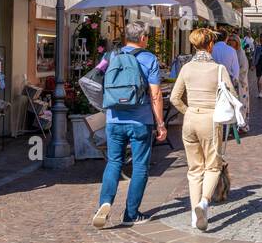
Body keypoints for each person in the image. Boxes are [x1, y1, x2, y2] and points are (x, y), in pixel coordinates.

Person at [91, 23, 167, 228]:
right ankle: (131, 214)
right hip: (140, 121)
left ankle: (104, 202)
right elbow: (156, 95)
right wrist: (160, 123)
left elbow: (95, 80)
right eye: (146, 37)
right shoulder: (149, 58)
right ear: (142, 38)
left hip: (114, 120)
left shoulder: (109, 56)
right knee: (140, 166)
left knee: (114, 162)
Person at [169, 27, 230, 231]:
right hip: (210, 119)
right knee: (213, 165)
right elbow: (232, 97)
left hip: (190, 119)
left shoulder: (186, 68)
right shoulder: (219, 69)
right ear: (210, 44)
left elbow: (174, 98)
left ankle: (194, 216)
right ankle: (204, 203)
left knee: (194, 169)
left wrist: (188, 111)